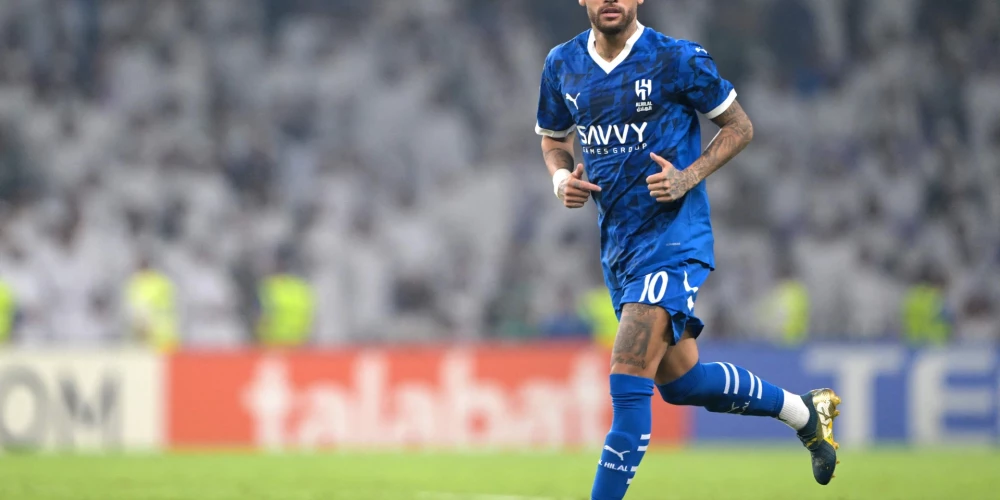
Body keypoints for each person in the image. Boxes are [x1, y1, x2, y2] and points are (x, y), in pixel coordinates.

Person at [534, 2, 841, 498]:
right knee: (682, 383)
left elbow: (739, 126)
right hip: (620, 248)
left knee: (629, 375)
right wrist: (560, 178)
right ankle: (805, 412)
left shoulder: (676, 59)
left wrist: (687, 177)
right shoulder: (561, 64)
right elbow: (554, 138)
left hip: (675, 238)